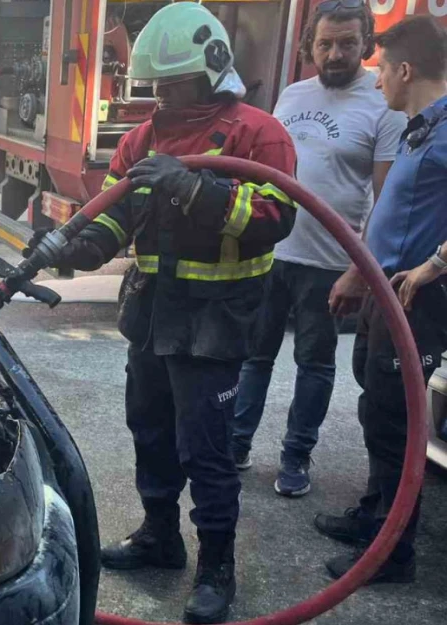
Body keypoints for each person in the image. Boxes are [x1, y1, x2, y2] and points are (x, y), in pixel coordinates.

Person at [23, 4, 296, 622]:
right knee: (149, 429)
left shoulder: (258, 134)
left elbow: (274, 220)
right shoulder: (145, 136)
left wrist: (196, 187)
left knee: (207, 450)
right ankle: (160, 537)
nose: (165, 96)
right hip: (152, 314)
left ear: (214, 66)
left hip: (217, 320)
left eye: (176, 83)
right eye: (158, 85)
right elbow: (121, 212)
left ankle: (216, 569)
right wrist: (81, 243)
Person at [230, 0, 407, 497]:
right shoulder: (291, 95)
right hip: (271, 253)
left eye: (348, 43)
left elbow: (386, 196)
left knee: (315, 364)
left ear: (366, 44)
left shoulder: (379, 103)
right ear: (310, 46)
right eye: (326, 43)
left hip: (328, 264)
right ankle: (236, 444)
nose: (335, 53)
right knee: (253, 357)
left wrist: (359, 268)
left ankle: (295, 457)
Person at [317, 14, 447, 584]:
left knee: (398, 423)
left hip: (417, 304)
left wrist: (437, 263)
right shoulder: (422, 128)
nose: (376, 84)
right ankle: (375, 517)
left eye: (381, 72)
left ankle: (393, 554)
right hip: (384, 294)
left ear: (405, 68)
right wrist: (356, 276)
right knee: (377, 410)